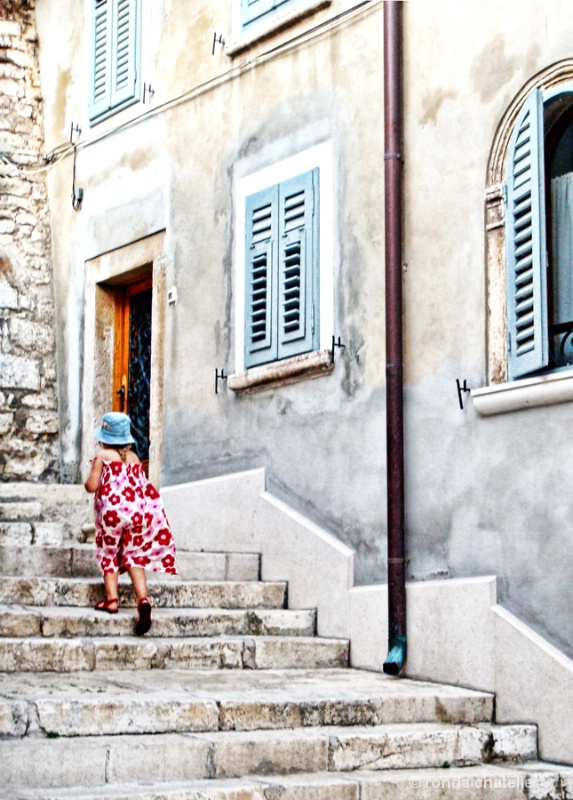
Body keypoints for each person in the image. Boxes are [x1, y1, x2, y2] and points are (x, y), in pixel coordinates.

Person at [84, 411, 177, 636]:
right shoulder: (135, 458)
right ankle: (143, 600)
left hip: (112, 515)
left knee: (109, 553)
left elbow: (92, 485)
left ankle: (112, 600)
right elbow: (141, 485)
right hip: (136, 513)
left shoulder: (103, 456)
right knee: (135, 556)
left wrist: (90, 479)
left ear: (105, 437)